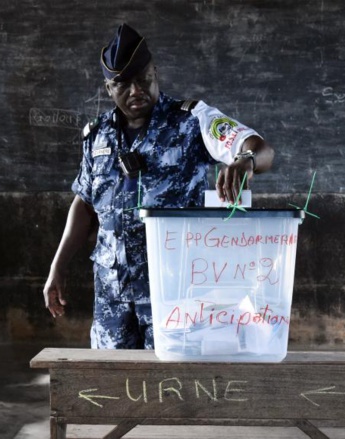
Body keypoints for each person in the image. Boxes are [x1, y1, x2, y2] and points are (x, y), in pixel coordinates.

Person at [42, 23, 274, 350]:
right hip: (113, 295)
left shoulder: (193, 120)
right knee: (113, 387)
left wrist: (244, 160)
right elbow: (85, 204)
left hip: (177, 294)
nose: (136, 90)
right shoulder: (96, 136)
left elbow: (260, 148)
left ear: (155, 72)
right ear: (108, 88)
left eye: (143, 79)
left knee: (176, 388)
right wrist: (58, 266)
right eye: (123, 84)